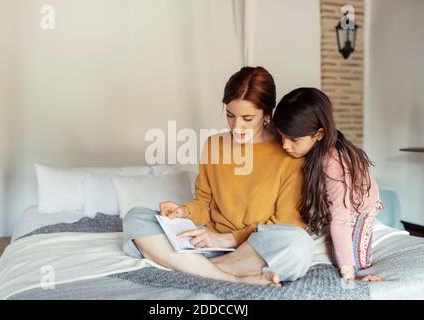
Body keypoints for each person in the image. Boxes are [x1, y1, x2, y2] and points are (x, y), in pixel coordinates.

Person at [122, 67, 314, 287]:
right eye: (230, 116)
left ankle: (188, 267)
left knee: (300, 245)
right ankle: (226, 277)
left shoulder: (289, 153)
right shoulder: (214, 145)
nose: (236, 127)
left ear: (267, 114)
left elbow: (285, 223)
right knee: (136, 217)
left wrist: (229, 238)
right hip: (209, 244)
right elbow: (204, 203)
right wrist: (183, 211)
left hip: (254, 249)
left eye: (247, 118)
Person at [272, 87, 384, 281]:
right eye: (282, 136)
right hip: (334, 205)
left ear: (319, 134)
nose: (284, 145)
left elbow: (340, 218)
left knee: (353, 261)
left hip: (358, 210)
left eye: (293, 139)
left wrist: (348, 274)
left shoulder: (333, 163)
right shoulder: (313, 149)